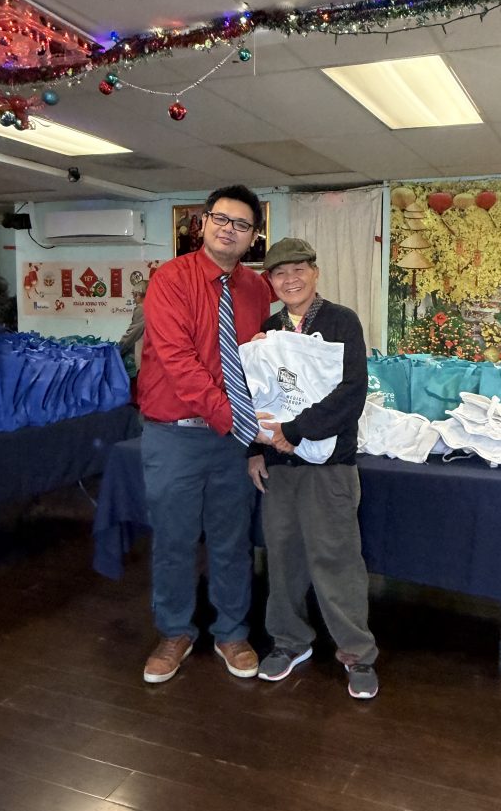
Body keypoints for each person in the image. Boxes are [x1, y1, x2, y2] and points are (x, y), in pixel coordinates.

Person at [138, 185, 272, 684]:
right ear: (203, 223)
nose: (228, 229)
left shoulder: (257, 290)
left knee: (231, 540)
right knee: (174, 538)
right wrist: (239, 422)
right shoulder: (170, 280)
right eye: (220, 218)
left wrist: (255, 432)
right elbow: (178, 362)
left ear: (253, 236)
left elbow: (263, 363)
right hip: (175, 436)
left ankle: (231, 631)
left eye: (241, 224)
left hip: (232, 441)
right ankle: (174, 631)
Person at [248, 237, 379, 700]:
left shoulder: (342, 321)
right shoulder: (269, 328)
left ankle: (357, 653)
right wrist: (255, 450)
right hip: (280, 464)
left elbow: (352, 391)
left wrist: (296, 430)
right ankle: (289, 641)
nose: (291, 280)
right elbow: (258, 393)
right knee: (283, 557)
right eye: (280, 273)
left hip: (330, 465)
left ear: (315, 272)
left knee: (336, 558)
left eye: (299, 269)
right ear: (270, 281)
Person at [118, 280, 149, 377]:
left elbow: (132, 334)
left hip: (145, 357)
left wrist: (117, 350)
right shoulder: (156, 306)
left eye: (134, 295)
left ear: (138, 294)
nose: (134, 299)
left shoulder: (142, 308)